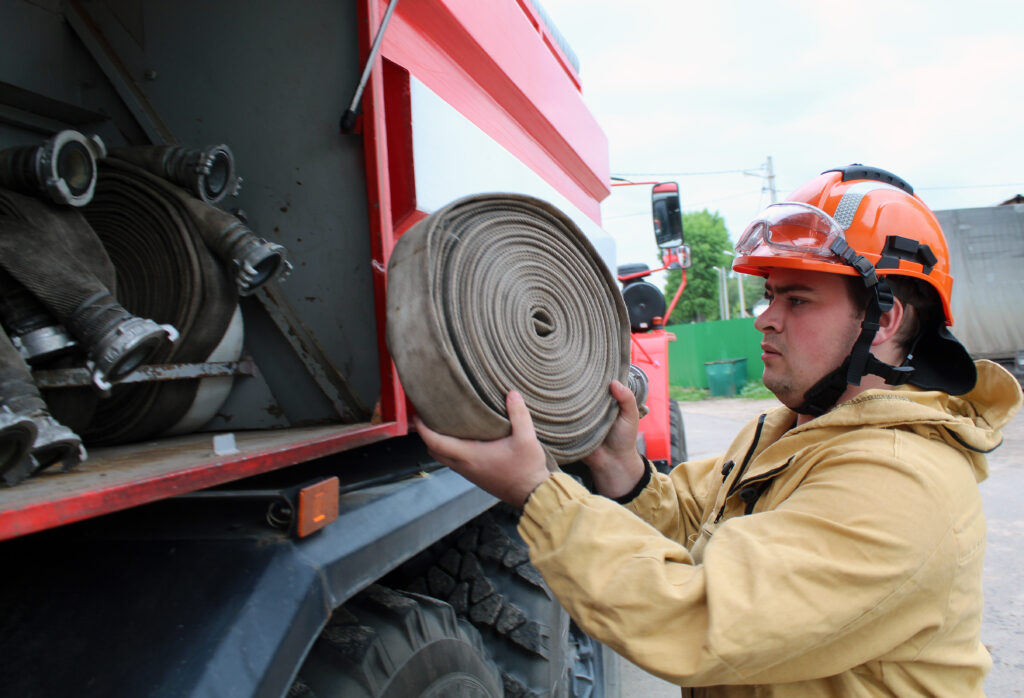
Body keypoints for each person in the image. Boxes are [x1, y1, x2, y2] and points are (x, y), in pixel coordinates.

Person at [416, 165, 1023, 696]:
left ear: (884, 318)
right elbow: (695, 529)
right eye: (769, 296)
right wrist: (620, 467)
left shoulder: (899, 485)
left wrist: (539, 496)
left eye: (799, 300)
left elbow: (695, 616)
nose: (766, 320)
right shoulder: (794, 433)